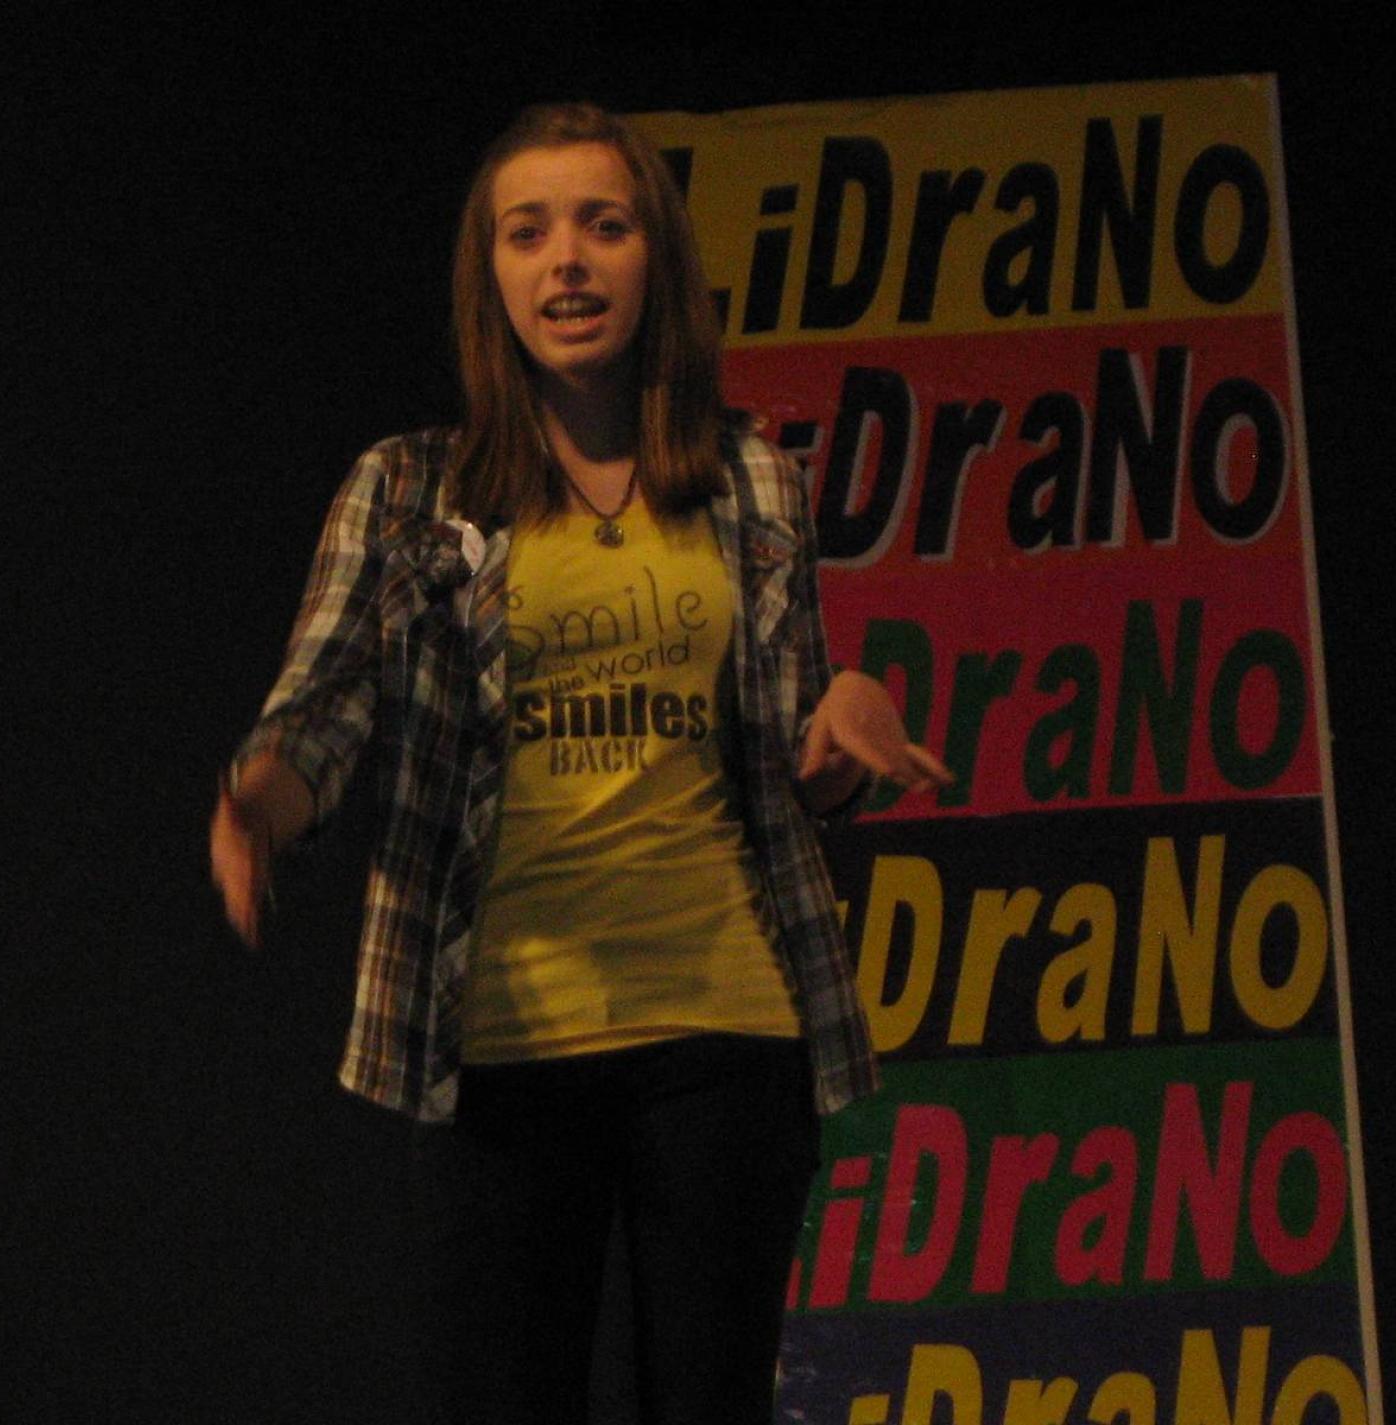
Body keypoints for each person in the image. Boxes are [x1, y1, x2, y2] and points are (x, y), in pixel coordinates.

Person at [210, 102, 950, 1425]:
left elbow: (801, 766)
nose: (568, 260)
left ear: (655, 257)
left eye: (604, 226)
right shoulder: (409, 488)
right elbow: (324, 708)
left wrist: (845, 731)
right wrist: (261, 800)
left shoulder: (751, 482)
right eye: (529, 232)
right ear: (489, 275)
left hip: (725, 1032)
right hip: (502, 1042)